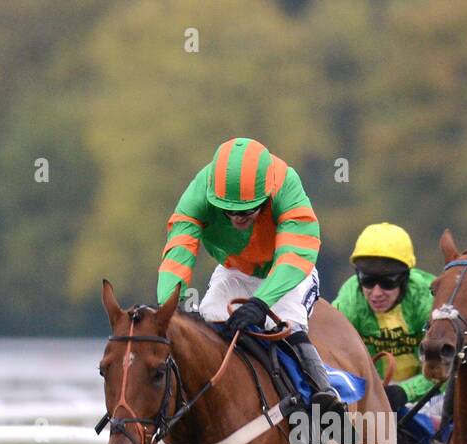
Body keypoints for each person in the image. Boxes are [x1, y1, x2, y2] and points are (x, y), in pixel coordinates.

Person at [156, 136, 343, 416]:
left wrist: (261, 303)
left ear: (267, 194)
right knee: (206, 322)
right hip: (236, 270)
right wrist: (171, 307)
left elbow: (296, 254)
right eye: (228, 210)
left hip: (288, 273)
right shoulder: (199, 191)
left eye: (247, 210)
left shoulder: (285, 183)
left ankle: (324, 397)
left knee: (287, 322)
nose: (237, 218)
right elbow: (178, 253)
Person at [331, 222, 439, 412]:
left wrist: (404, 391)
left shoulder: (428, 301)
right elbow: (330, 361)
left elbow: (442, 369)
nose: (376, 292)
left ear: (405, 277)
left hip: (428, 396)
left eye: (388, 282)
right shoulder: (347, 303)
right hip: (367, 393)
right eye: (368, 281)